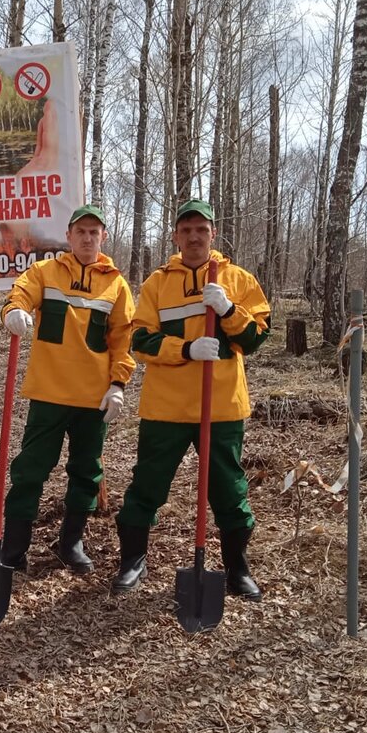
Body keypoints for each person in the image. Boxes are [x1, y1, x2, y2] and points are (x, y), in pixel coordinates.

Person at [112, 199, 270, 599]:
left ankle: (237, 568)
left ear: (212, 233)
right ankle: (132, 560)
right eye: (187, 230)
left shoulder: (238, 279)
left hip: (221, 406)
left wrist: (228, 309)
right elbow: (140, 339)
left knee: (229, 489)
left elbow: (255, 338)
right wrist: (185, 350)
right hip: (165, 407)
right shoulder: (157, 283)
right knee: (146, 485)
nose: (194, 236)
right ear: (176, 236)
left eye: (202, 229)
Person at [0, 204, 136, 575]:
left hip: (95, 399)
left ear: (103, 237)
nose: (87, 238)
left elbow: (123, 339)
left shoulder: (117, 284)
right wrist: (14, 311)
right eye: (81, 232)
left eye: (94, 232)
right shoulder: (46, 272)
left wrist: (119, 384)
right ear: (69, 236)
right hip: (48, 394)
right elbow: (20, 293)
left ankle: (71, 541)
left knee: (86, 472)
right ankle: (13, 548)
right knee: (30, 470)